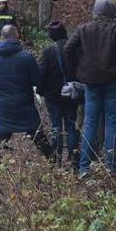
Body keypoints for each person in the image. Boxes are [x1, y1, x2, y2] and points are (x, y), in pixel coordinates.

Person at [64, 0, 116, 175]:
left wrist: (75, 72)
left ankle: (84, 168)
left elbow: (67, 49)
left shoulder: (84, 28)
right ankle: (111, 167)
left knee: (90, 123)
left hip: (91, 83)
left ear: (95, 11)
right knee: (111, 124)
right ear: (112, 11)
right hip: (114, 81)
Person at [0, 25, 50, 155]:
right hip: (24, 105)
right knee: (39, 137)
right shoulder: (26, 57)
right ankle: (55, 163)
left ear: (1, 38)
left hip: (4, 107)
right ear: (17, 37)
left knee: (1, 143)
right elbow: (37, 81)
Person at [37, 21, 78, 166]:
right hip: (72, 94)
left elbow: (41, 73)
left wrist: (40, 91)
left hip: (53, 95)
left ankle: (57, 157)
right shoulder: (74, 48)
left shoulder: (48, 51)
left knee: (56, 126)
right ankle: (74, 156)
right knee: (71, 125)